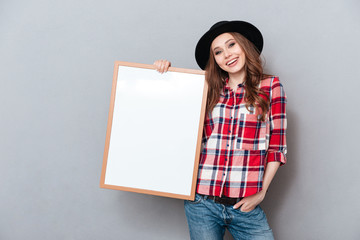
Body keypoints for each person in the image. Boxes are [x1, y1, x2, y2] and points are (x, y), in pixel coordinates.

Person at [154, 20, 287, 240]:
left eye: (231, 45)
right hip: (201, 203)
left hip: (245, 205)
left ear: (245, 46)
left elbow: (277, 147)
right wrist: (163, 73)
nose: (227, 54)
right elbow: (168, 120)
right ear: (214, 59)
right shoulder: (205, 89)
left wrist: (261, 193)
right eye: (218, 51)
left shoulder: (271, 87)